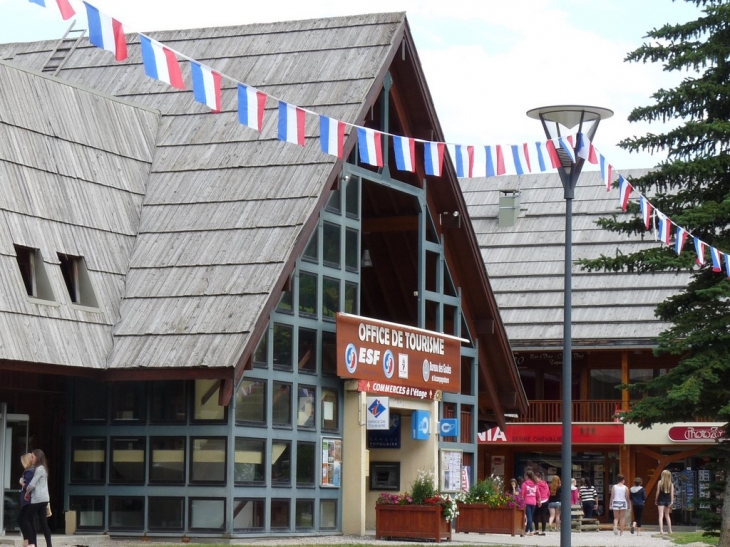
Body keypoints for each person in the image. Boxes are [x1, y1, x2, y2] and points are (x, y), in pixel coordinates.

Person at [20, 449, 52, 547]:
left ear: (37, 457)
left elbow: (32, 484)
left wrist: (24, 486)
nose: (31, 459)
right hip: (45, 499)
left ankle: (32, 543)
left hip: (37, 498)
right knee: (43, 523)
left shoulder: (39, 469)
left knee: (25, 519)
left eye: (33, 457)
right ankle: (49, 545)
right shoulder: (44, 468)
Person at [17, 453, 35, 547]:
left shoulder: (29, 472)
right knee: (27, 520)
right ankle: (29, 541)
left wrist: (21, 483)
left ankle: (29, 541)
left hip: (28, 500)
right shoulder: (30, 471)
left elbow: (28, 486)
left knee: (22, 519)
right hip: (29, 500)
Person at [655, 469, 674, 535]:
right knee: (667, 515)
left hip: (661, 500)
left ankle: (661, 530)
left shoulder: (660, 482)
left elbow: (658, 492)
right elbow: (672, 494)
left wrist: (656, 499)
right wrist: (672, 502)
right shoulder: (671, 484)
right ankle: (670, 530)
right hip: (668, 500)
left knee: (661, 515)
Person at [521, 470, 539, 536]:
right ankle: (526, 531)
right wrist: (539, 500)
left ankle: (531, 530)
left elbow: (522, 494)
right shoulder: (535, 484)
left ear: (527, 476)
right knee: (530, 516)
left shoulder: (524, 484)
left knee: (529, 517)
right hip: (534, 502)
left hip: (527, 502)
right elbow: (538, 493)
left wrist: (521, 501)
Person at [535, 471, 550, 535]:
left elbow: (537, 493)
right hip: (546, 500)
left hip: (539, 501)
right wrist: (547, 498)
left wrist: (538, 500)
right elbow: (548, 493)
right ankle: (543, 531)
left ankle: (537, 530)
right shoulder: (546, 484)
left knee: (535, 515)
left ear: (540, 478)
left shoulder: (536, 485)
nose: (535, 480)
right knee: (543, 516)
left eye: (536, 478)